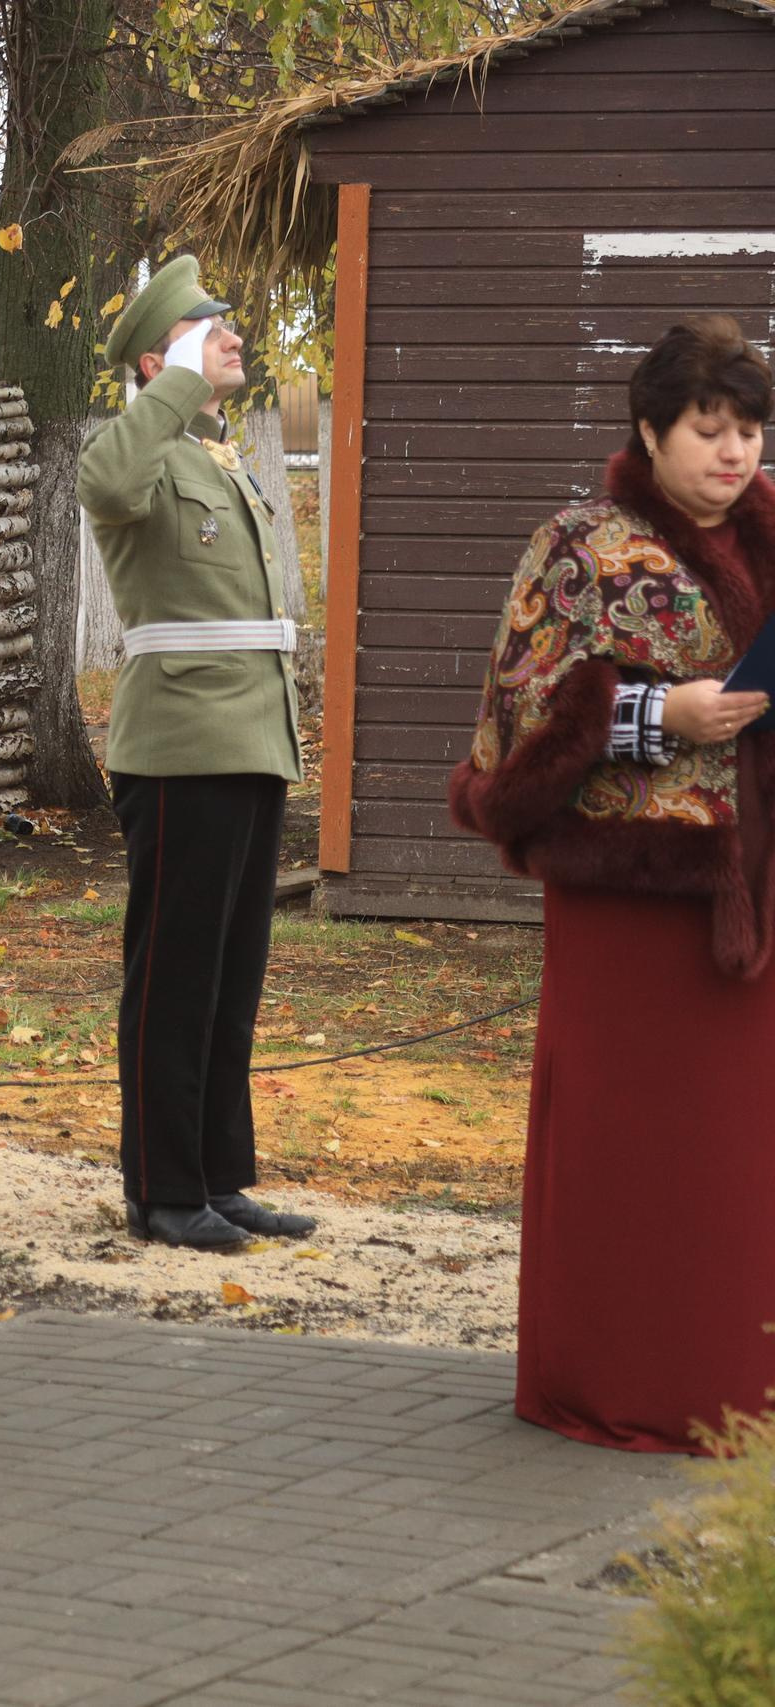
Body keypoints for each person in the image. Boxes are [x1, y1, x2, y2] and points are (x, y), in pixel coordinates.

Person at [451, 314, 775, 1453]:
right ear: (650, 428)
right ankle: (630, 1378)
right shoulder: (582, 548)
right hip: (631, 903)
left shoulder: (773, 535)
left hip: (755, 891)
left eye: (747, 431)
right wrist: (655, 714)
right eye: (709, 428)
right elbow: (520, 718)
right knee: (635, 1149)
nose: (733, 454)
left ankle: (741, 1382)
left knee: (738, 1161)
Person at [79, 256, 317, 1253]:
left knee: (229, 977)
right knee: (173, 978)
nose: (229, 334)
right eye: (202, 326)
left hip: (248, 739)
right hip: (179, 747)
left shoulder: (216, 457)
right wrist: (172, 382)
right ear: (156, 356)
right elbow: (104, 482)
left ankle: (217, 1177)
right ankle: (161, 1189)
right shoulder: (139, 450)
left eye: (223, 322)